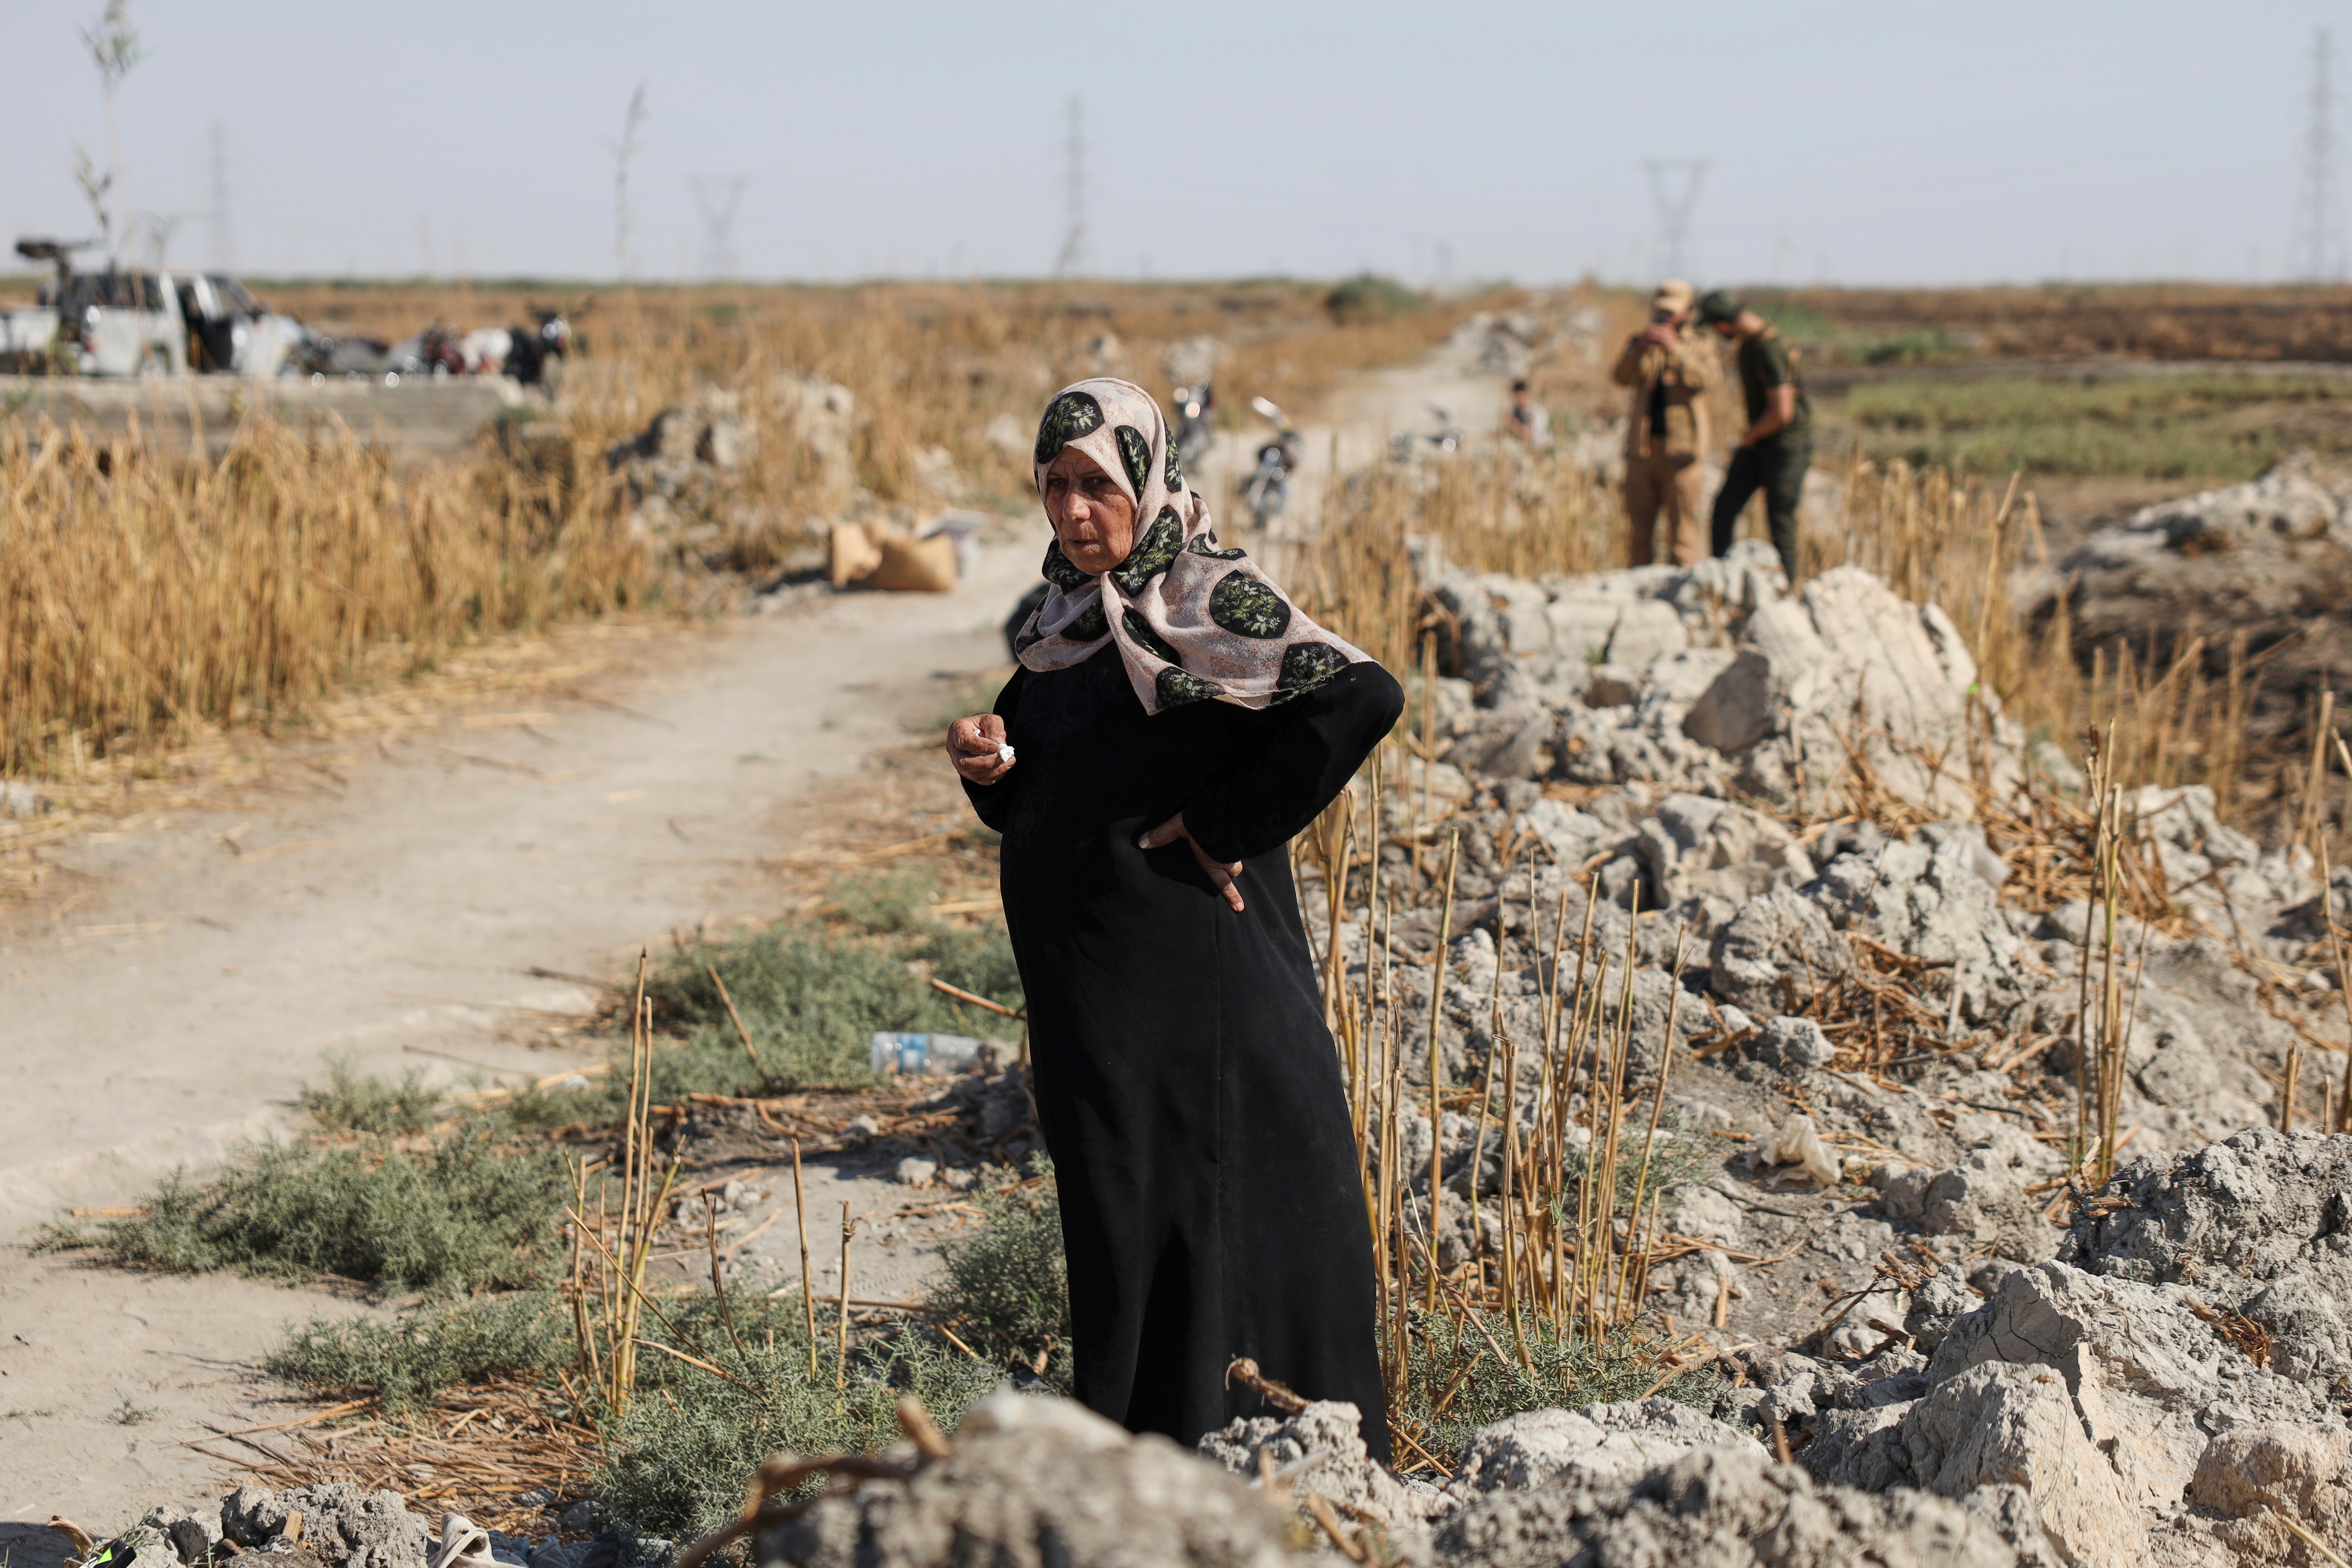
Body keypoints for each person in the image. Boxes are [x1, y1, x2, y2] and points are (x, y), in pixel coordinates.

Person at [946, 378, 1402, 1460]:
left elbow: (1359, 697)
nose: (1071, 512)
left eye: (1096, 485)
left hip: (1197, 998)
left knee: (1224, 1220)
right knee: (1128, 1232)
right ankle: (1149, 1473)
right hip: (1097, 1016)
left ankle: (1277, 1469)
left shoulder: (1204, 597)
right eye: (1053, 486)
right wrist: (988, 768)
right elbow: (1048, 777)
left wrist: (1221, 821)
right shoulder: (1060, 618)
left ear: (1143, 478)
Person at [1698, 290, 1813, 586]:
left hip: (1785, 446)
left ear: (1723, 325)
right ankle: (1720, 580)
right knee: (1724, 510)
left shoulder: (1768, 348)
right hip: (1762, 443)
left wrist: (1750, 435)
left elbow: (1782, 412)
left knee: (1781, 521)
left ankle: (1790, 589)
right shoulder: (1750, 345)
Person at [1609, 279, 1719, 566]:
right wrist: (1640, 349)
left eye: (1672, 312)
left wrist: (1676, 350)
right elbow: (1621, 377)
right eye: (1661, 312)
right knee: (1639, 533)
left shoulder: (1700, 343)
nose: (1665, 318)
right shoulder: (1643, 342)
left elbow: (1707, 379)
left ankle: (1683, 598)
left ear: (1688, 311)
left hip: (1682, 452)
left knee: (1684, 534)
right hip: (1643, 450)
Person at [1502, 378, 1550, 445]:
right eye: (1517, 396)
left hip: (1539, 447)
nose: (1520, 399)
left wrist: (1513, 424)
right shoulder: (1512, 411)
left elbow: (1532, 435)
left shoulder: (1538, 412)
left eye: (1522, 396)